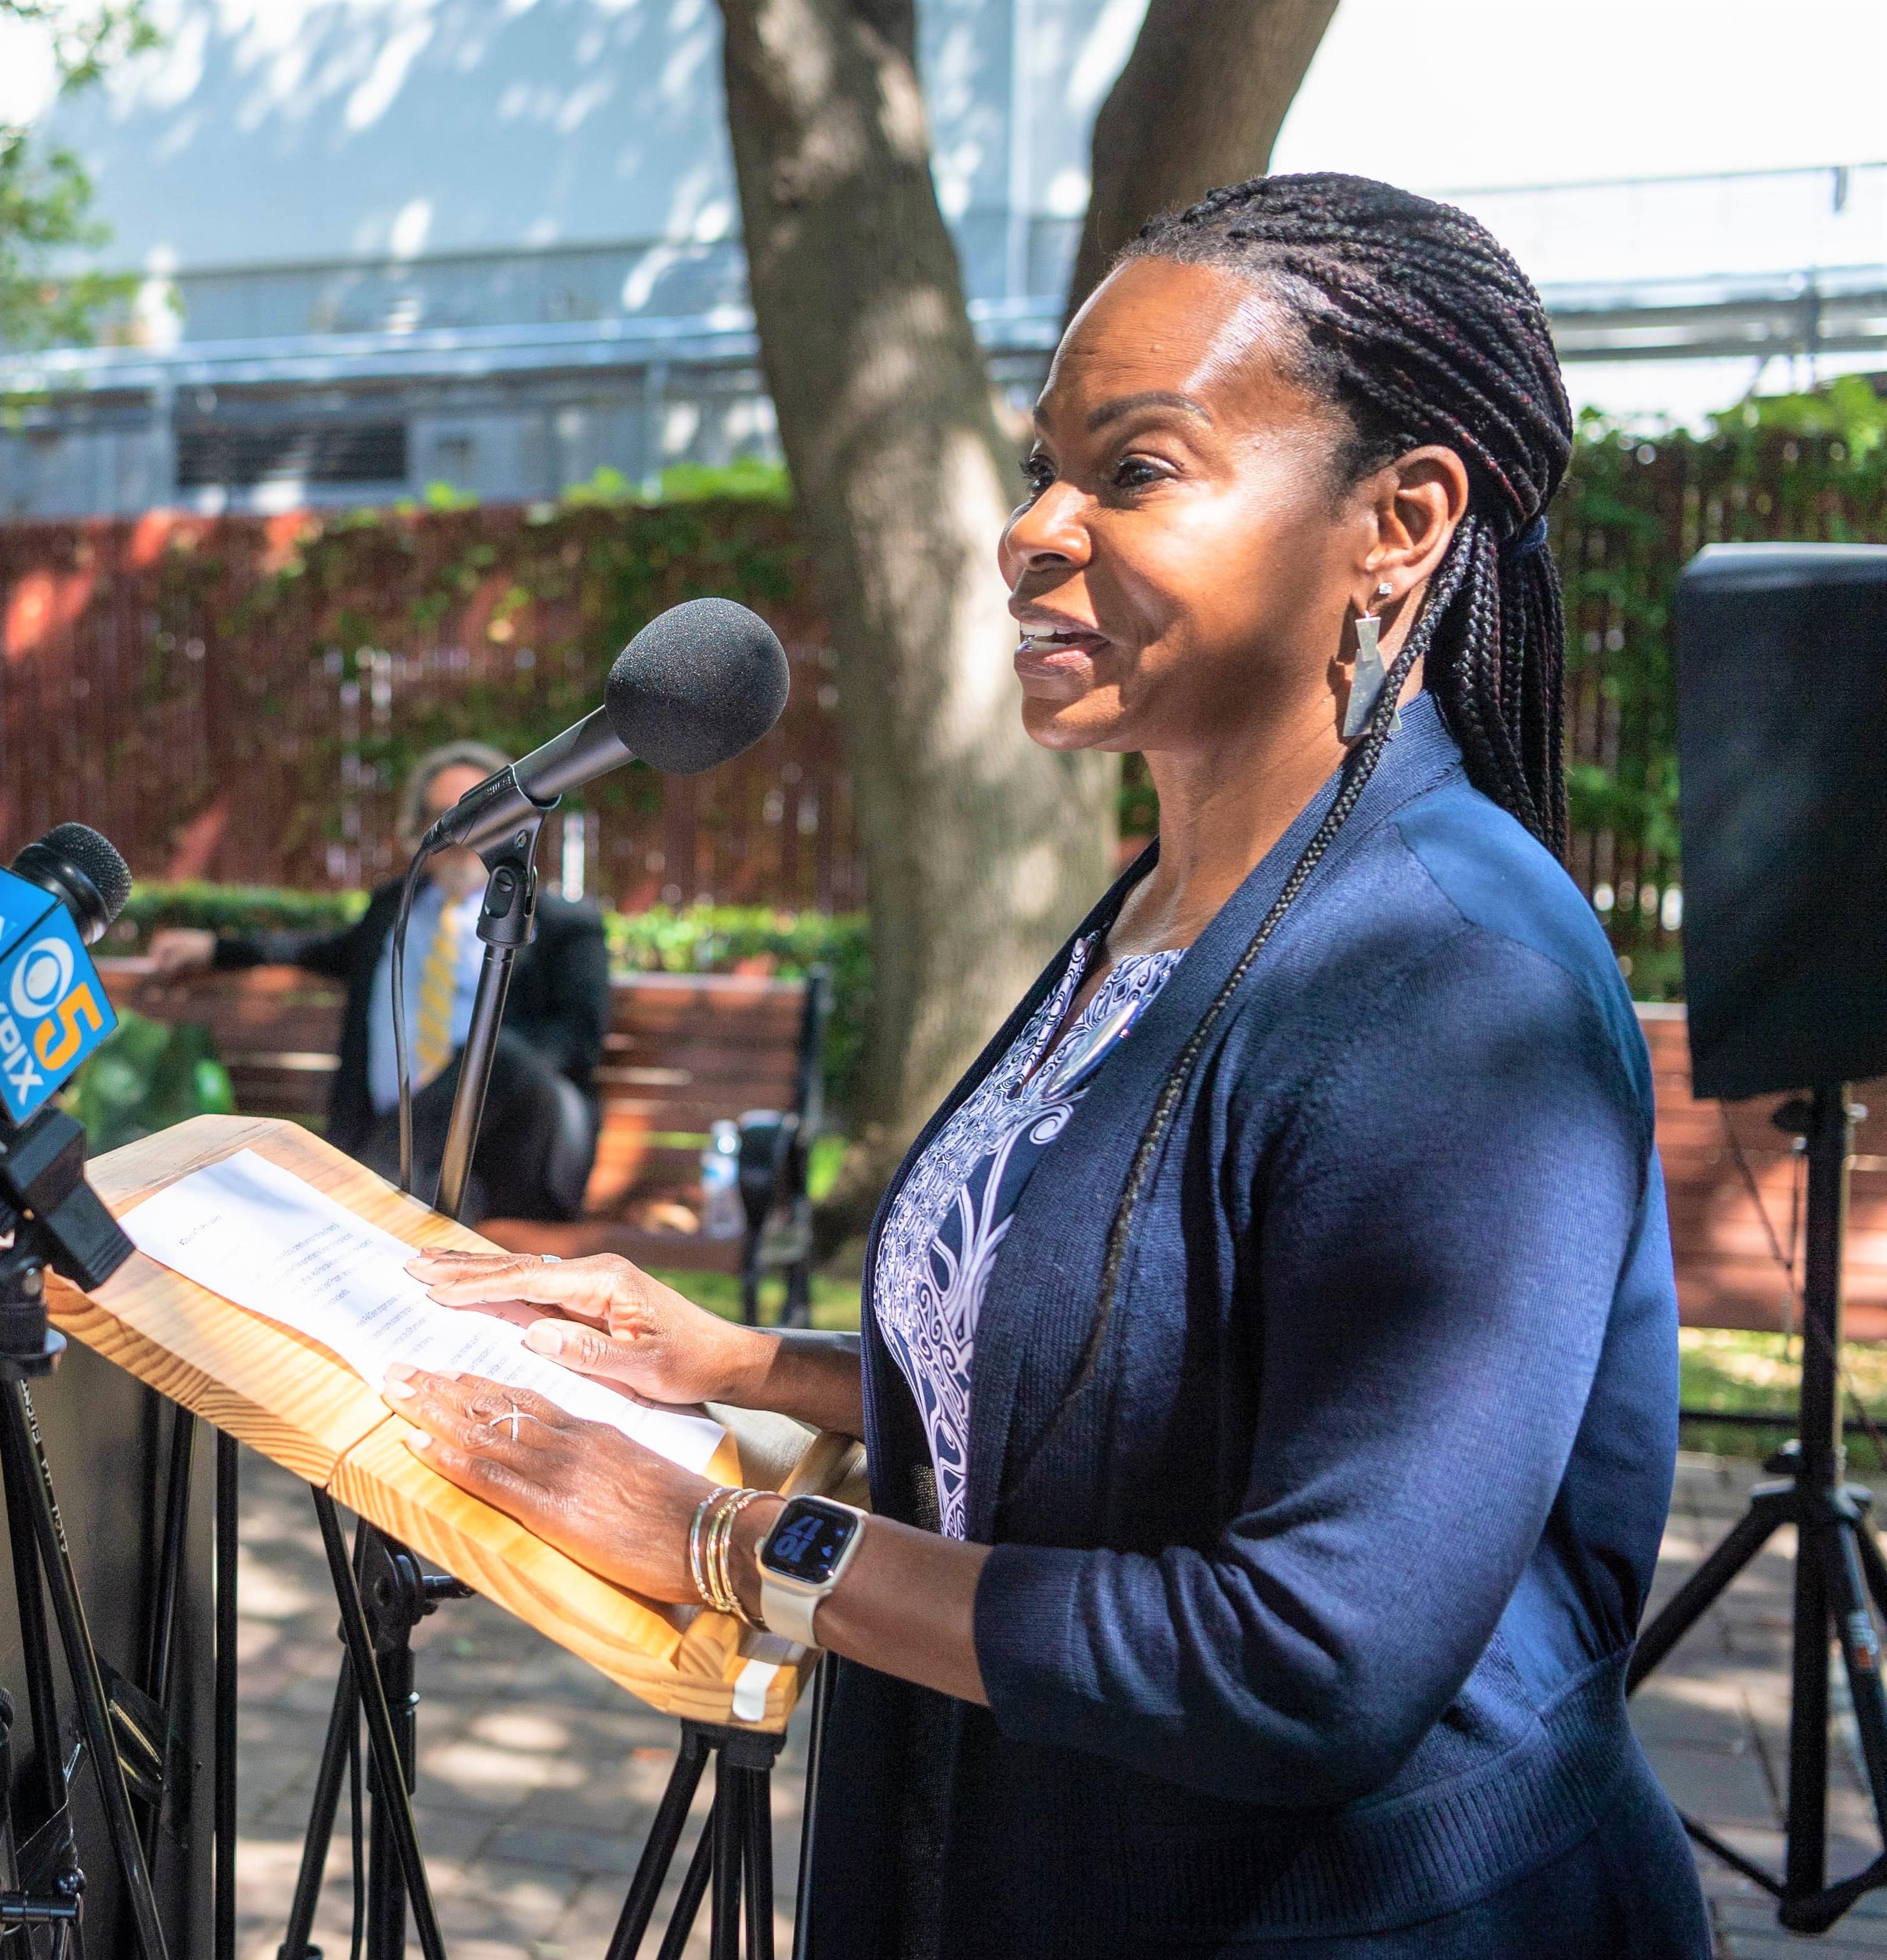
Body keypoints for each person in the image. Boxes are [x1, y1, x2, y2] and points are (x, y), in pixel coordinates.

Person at [378, 175, 1708, 1956]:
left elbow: (1311, 1650)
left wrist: (735, 1537)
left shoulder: (1455, 983)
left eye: (1134, 470)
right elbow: (1120, 1382)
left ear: (1401, 518)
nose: (1033, 532)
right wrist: (734, 1355)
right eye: (1040, 468)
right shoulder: (1161, 904)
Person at [146, 742, 611, 1220]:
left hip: (518, 1152)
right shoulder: (396, 907)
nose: (465, 832)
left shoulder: (564, 925)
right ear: (424, 829)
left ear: (514, 824)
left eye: (482, 812)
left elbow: (577, 1042)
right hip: (411, 1151)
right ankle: (391, 1186)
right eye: (445, 816)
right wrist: (215, 949)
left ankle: (368, 1191)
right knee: (431, 1198)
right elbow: (321, 951)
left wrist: (459, 1079)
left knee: (497, 1055)